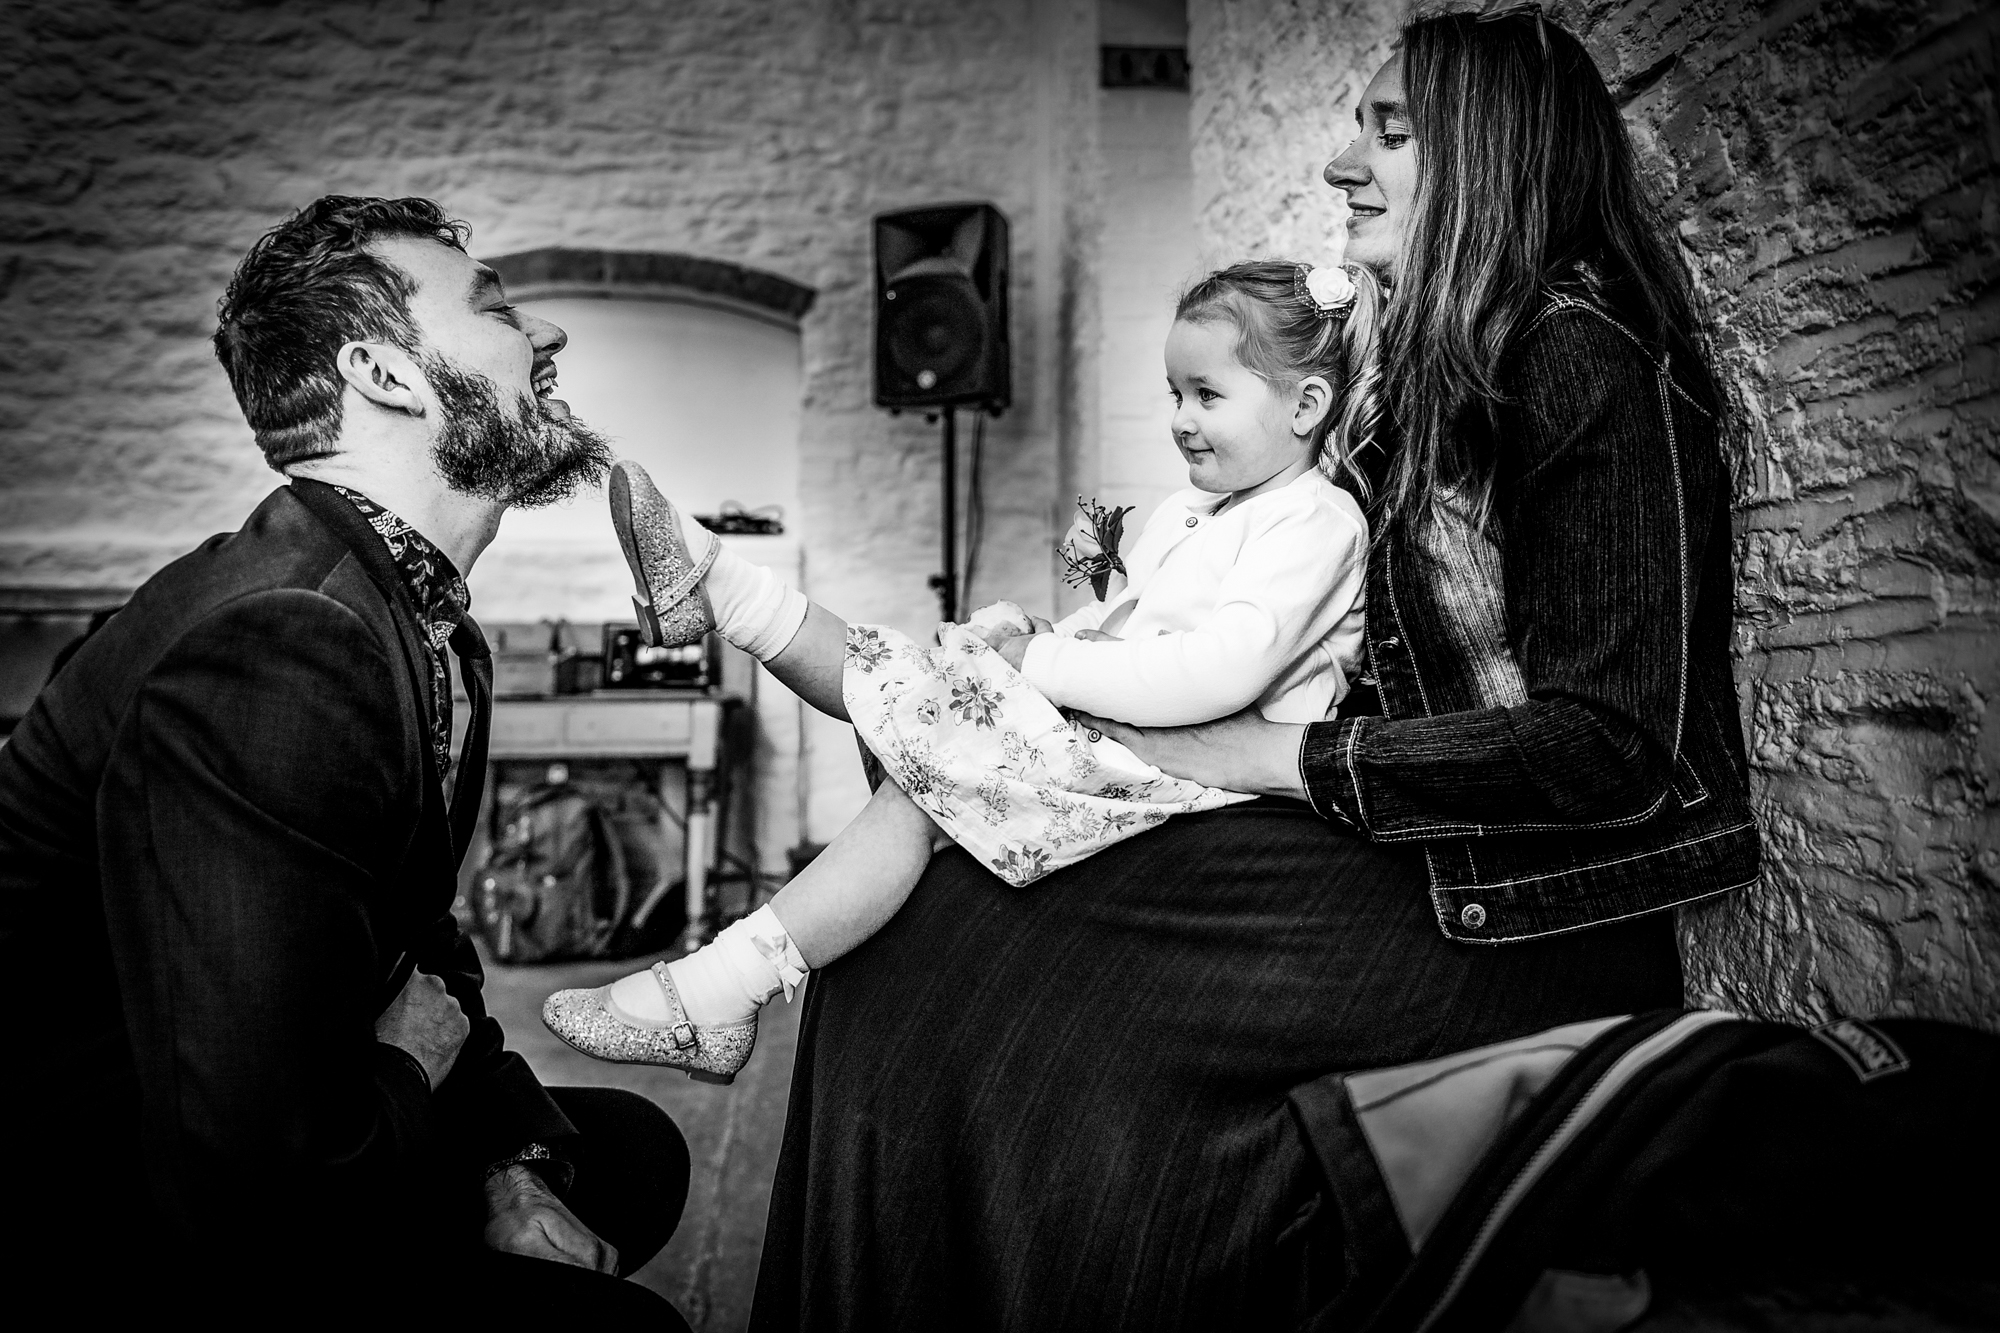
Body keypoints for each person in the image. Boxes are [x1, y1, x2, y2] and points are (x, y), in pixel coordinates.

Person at [747, 8, 1761, 1331]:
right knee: (922, 933)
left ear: (1494, 157)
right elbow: (1296, 601)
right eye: (1355, 128)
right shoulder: (1430, 373)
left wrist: (1268, 757)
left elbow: (1613, 746)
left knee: (954, 952)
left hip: (1520, 905)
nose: (1346, 164)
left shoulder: (1576, 357)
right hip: (1405, 838)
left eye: (1388, 133)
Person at [0, 195, 692, 1321]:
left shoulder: (413, 614)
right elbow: (247, 1188)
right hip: (117, 1183)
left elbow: (420, 942)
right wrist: (413, 1066)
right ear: (386, 374)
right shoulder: (281, 640)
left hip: (296, 1096)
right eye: (500, 311)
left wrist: (503, 1165)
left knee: (625, 1150)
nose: (547, 339)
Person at [543, 260, 1382, 1083]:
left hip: (1202, 775)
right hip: (1143, 741)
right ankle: (721, 598)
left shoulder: (1316, 523)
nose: (1182, 419)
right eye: (1174, 394)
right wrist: (1057, 633)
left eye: (1208, 395)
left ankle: (720, 987)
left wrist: (1045, 665)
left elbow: (1220, 672)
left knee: (922, 777)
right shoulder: (1196, 509)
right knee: (921, 682)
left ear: (1306, 405)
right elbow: (1134, 621)